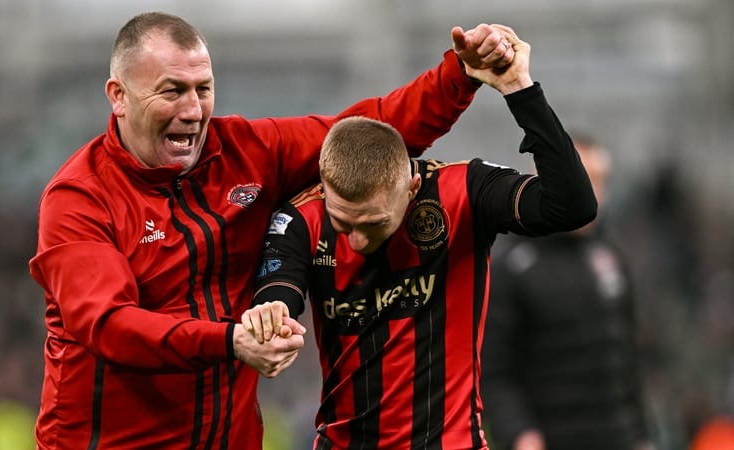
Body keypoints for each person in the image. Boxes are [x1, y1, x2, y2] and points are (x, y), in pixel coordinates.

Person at [28, 10, 515, 450]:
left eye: (203, 88)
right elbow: (110, 325)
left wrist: (460, 75)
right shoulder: (79, 198)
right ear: (119, 96)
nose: (194, 109)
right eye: (172, 90)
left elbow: (372, 129)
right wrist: (229, 340)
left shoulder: (246, 151)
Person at [243, 25, 597, 449]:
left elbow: (572, 206)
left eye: (372, 223)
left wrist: (519, 89)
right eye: (343, 222)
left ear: (410, 189)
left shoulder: (462, 193)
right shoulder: (301, 218)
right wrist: (271, 316)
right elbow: (278, 290)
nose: (355, 240)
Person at [479, 134, 655, 450]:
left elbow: (626, 359)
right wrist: (521, 434)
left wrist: (642, 435)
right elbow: (493, 369)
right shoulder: (510, 264)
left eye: (602, 182)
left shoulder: (610, 255)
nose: (594, 194)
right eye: (585, 180)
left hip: (618, 438)